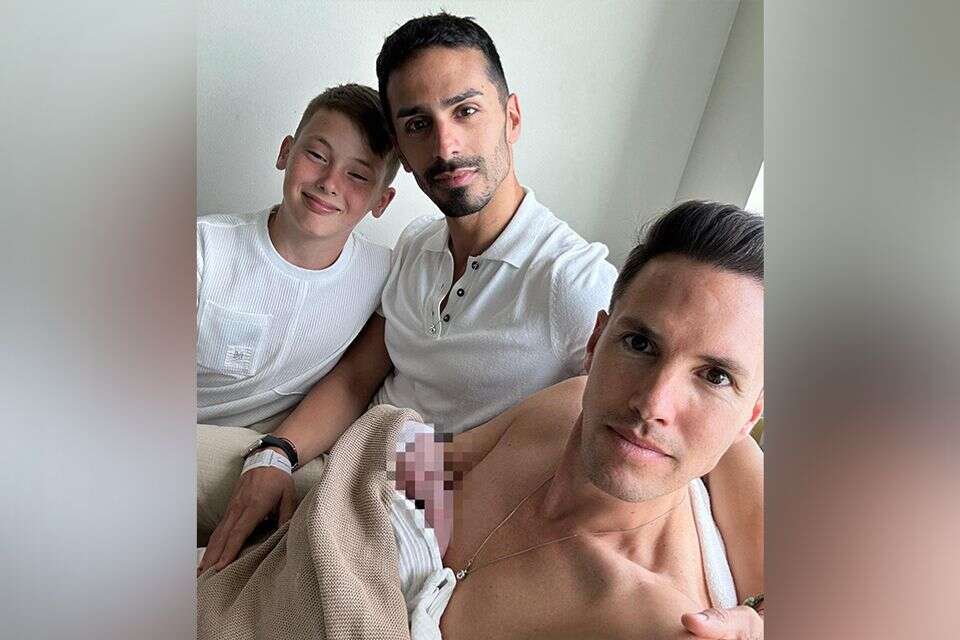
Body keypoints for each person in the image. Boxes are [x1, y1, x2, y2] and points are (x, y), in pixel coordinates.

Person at [198, 14, 762, 582]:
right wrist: (277, 452)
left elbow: (711, 424)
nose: (445, 146)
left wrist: (761, 600)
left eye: (465, 111)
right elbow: (355, 378)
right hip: (335, 469)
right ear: (402, 150)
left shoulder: (570, 283)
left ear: (511, 117)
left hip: (413, 526)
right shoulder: (416, 246)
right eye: (418, 124)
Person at [196, 201, 765, 640]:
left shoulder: (648, 617)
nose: (653, 402)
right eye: (640, 344)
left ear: (751, 416)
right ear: (595, 342)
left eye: (714, 376)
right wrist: (315, 485)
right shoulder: (560, 407)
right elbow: (408, 467)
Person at [196, 84, 399, 541]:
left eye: (358, 175)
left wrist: (275, 452)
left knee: (353, 499)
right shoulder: (206, 250)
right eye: (317, 155)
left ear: (381, 202)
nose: (330, 182)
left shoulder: (384, 276)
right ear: (286, 152)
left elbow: (354, 381)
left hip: (276, 447)